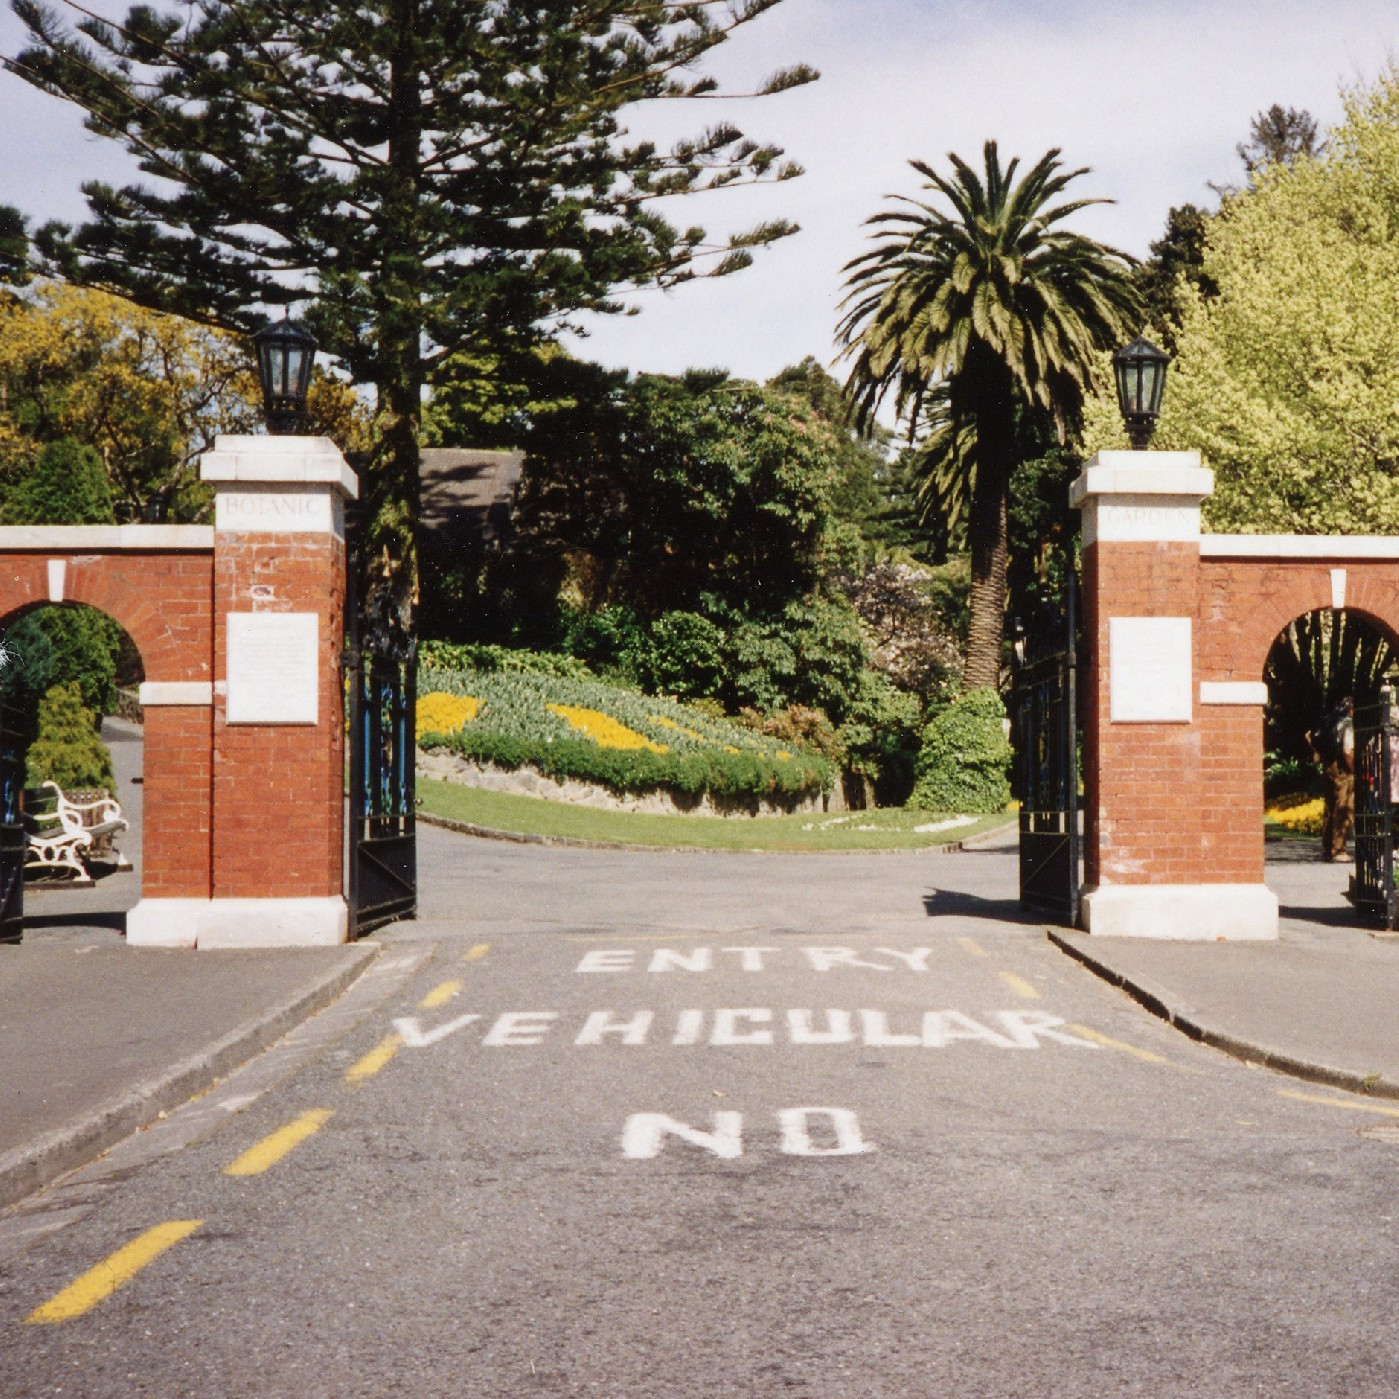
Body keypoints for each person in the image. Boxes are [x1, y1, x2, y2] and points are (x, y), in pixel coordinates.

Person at [1307, 697, 1354, 862]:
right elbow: (1348, 751)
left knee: (1329, 806)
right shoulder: (1348, 723)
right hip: (1341, 767)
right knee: (1344, 805)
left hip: (1327, 764)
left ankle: (1327, 849)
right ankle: (1339, 850)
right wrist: (1354, 769)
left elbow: (1309, 737)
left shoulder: (1330, 721)